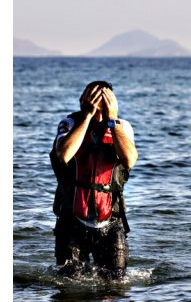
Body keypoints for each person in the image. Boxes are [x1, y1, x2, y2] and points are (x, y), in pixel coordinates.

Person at [49, 80, 138, 279]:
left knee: (115, 285)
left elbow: (129, 160)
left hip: (111, 222)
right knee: (68, 286)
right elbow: (63, 154)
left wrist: (112, 120)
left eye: (104, 100)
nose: (99, 105)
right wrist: (87, 116)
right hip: (72, 220)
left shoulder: (123, 127)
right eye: (93, 99)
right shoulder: (70, 123)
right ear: (84, 100)